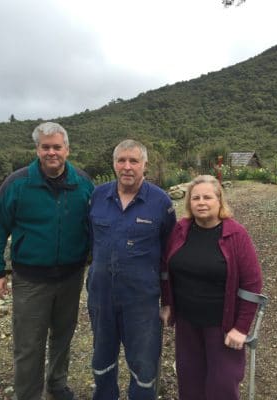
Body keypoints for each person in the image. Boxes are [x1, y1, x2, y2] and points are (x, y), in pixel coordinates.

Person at [0, 122, 94, 400]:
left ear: (67, 149)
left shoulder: (82, 183)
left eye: (57, 147)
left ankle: (57, 384)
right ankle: (29, 394)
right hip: (31, 280)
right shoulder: (18, 183)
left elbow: (94, 224)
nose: (51, 152)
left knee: (63, 336)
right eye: (46, 147)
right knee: (29, 344)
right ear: (37, 150)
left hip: (70, 276)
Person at [87, 139, 176, 400]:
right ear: (114, 164)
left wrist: (168, 300)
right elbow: (90, 239)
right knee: (102, 354)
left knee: (144, 361)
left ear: (144, 165)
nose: (127, 167)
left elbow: (169, 258)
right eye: (121, 160)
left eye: (134, 161)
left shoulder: (161, 202)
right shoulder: (97, 196)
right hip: (101, 295)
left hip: (142, 298)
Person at [160, 174, 263, 400]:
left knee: (222, 385)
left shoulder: (236, 234)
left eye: (207, 197)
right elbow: (166, 269)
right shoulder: (180, 230)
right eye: (195, 198)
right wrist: (167, 303)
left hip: (223, 326)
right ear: (189, 203)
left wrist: (241, 328)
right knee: (190, 383)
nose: (201, 202)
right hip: (187, 323)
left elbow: (252, 284)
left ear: (219, 201)